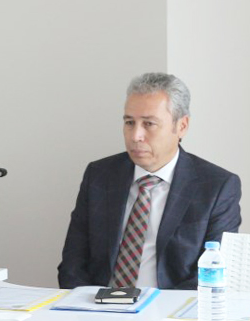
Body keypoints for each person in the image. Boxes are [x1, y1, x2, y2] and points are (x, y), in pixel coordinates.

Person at [58, 72, 241, 290]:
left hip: (171, 307)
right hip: (98, 304)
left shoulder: (217, 187)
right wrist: (85, 303)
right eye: (129, 122)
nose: (135, 135)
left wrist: (157, 307)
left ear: (181, 126)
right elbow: (72, 264)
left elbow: (213, 275)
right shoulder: (99, 175)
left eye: (149, 124)